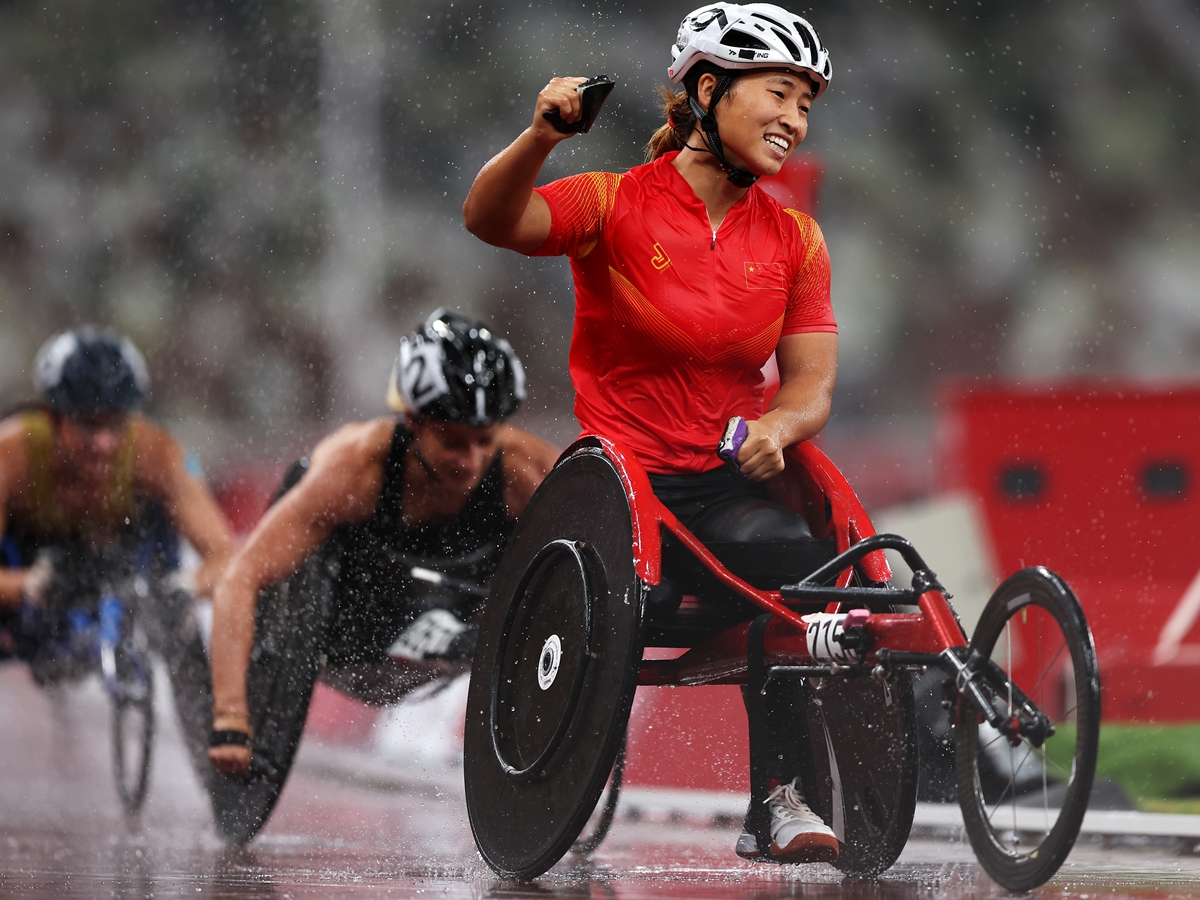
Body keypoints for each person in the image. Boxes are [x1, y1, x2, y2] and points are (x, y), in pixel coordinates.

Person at [463, 2, 841, 864]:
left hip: (723, 482)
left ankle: (780, 799)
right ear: (707, 90)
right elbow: (489, 219)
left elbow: (812, 384)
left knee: (796, 566)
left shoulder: (796, 240)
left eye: (806, 104)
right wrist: (541, 138)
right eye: (778, 94)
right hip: (623, 495)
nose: (794, 119)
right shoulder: (611, 203)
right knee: (647, 603)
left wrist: (780, 425)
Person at [207, 309, 560, 777]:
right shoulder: (355, 468)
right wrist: (230, 715)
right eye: (452, 442)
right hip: (351, 627)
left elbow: (595, 555)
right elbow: (242, 577)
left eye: (484, 440)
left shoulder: (523, 468)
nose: (471, 460)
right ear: (413, 421)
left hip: (458, 614)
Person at [0, 326, 234, 681]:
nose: (105, 443)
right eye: (89, 425)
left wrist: (185, 589)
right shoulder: (11, 456)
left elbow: (225, 558)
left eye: (116, 424)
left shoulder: (157, 453)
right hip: (32, 571)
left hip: (124, 562)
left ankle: (203, 712)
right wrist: (26, 585)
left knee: (179, 604)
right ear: (53, 417)